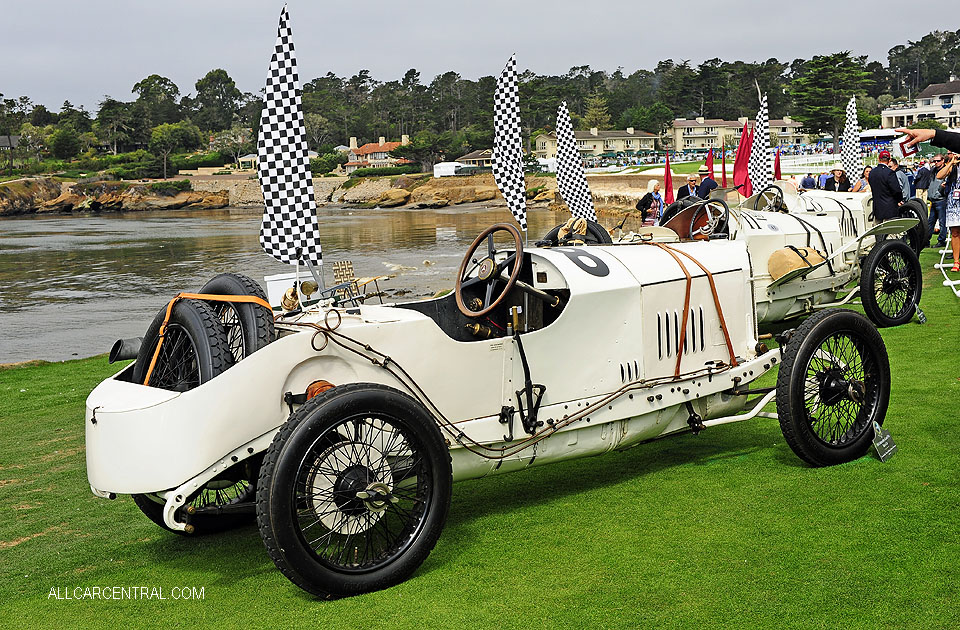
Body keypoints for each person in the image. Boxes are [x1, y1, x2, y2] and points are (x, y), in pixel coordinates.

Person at [936, 152, 960, 271]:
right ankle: (956, 261)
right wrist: (951, 162)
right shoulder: (953, 166)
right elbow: (939, 176)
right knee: (955, 231)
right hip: (954, 202)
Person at [868, 150, 904, 221]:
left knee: (878, 230)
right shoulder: (890, 173)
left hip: (877, 208)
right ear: (889, 160)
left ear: (878, 159)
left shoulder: (872, 172)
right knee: (890, 230)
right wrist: (899, 200)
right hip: (890, 209)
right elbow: (896, 190)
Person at [927, 154, 947, 249]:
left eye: (937, 161)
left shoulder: (946, 170)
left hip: (941, 200)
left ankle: (941, 240)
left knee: (942, 221)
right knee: (930, 222)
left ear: (943, 161)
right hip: (933, 200)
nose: (935, 163)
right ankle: (926, 240)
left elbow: (946, 185)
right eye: (934, 161)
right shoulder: (933, 171)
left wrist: (942, 191)